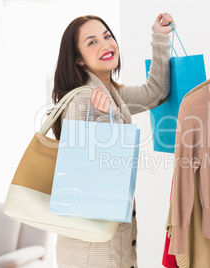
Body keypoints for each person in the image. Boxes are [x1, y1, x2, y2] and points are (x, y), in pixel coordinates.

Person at [51, 13, 175, 267]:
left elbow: (155, 93)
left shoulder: (108, 93)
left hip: (108, 244)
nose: (106, 45)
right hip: (92, 253)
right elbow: (91, 169)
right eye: (92, 42)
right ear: (78, 58)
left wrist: (159, 38)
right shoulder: (84, 100)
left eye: (107, 36)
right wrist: (113, 117)